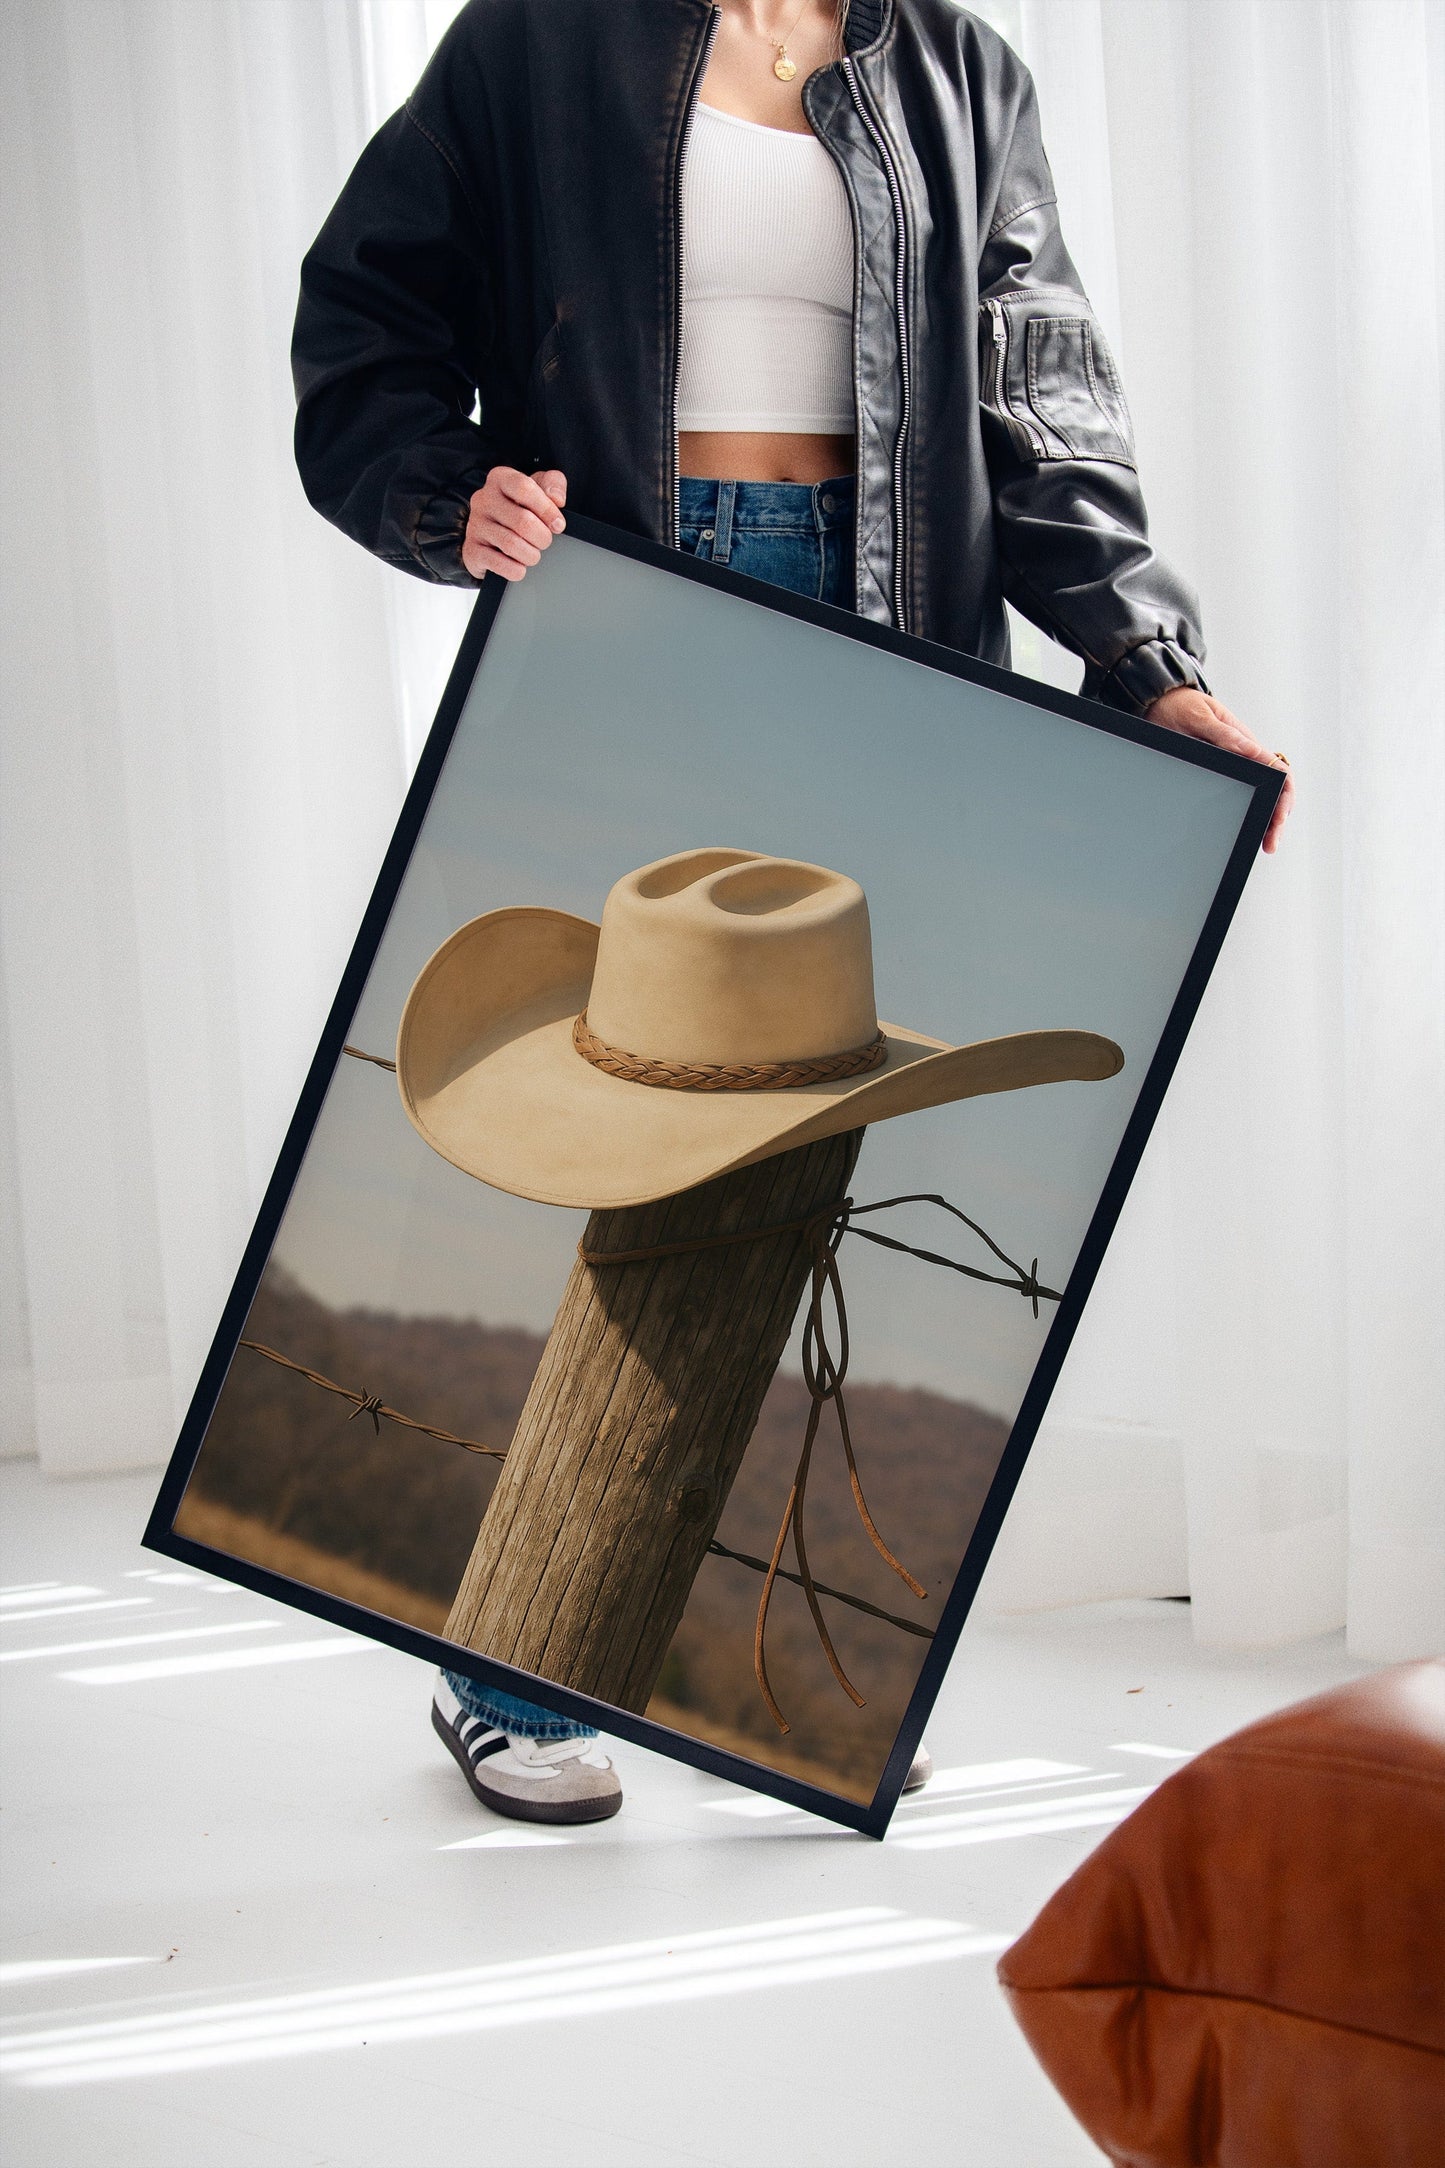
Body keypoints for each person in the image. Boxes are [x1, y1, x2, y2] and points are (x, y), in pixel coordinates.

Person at [292, 0, 1294, 1827]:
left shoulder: (962, 73)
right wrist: (455, 498)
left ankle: (773, 1687)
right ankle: (511, 1668)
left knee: (808, 1139)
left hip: (890, 615)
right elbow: (368, 321)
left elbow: (1035, 397)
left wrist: (1148, 666)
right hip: (628, 601)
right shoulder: (537, 42)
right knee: (618, 1117)